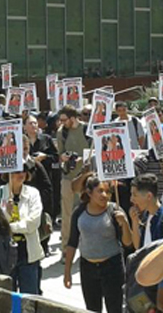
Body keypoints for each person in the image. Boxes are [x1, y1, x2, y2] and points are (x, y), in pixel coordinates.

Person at [64, 175, 132, 313]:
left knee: (115, 309)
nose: (105, 195)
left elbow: (128, 242)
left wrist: (124, 223)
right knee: (92, 309)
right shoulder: (79, 212)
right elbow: (72, 242)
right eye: (100, 191)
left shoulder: (115, 211)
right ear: (89, 193)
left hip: (112, 268)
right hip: (87, 268)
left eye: (108, 192)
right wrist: (67, 272)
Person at [0, 163, 44, 294]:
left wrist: (9, 227)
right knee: (7, 297)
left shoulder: (33, 193)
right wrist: (5, 212)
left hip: (27, 253)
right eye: (16, 171)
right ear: (8, 174)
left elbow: (32, 223)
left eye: (24, 171)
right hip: (5, 253)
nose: (20, 174)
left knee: (30, 297)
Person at [56, 105, 91, 251]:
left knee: (87, 211)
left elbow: (94, 151)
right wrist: (63, 157)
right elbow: (59, 155)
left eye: (64, 120)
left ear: (73, 118)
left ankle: (87, 247)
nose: (61, 122)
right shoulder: (61, 132)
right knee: (67, 214)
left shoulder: (87, 130)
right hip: (68, 176)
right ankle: (66, 248)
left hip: (86, 177)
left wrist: (82, 159)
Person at [130, 173, 163, 250]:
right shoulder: (146, 216)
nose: (131, 199)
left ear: (149, 196)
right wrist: (135, 222)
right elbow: (138, 247)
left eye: (135, 195)